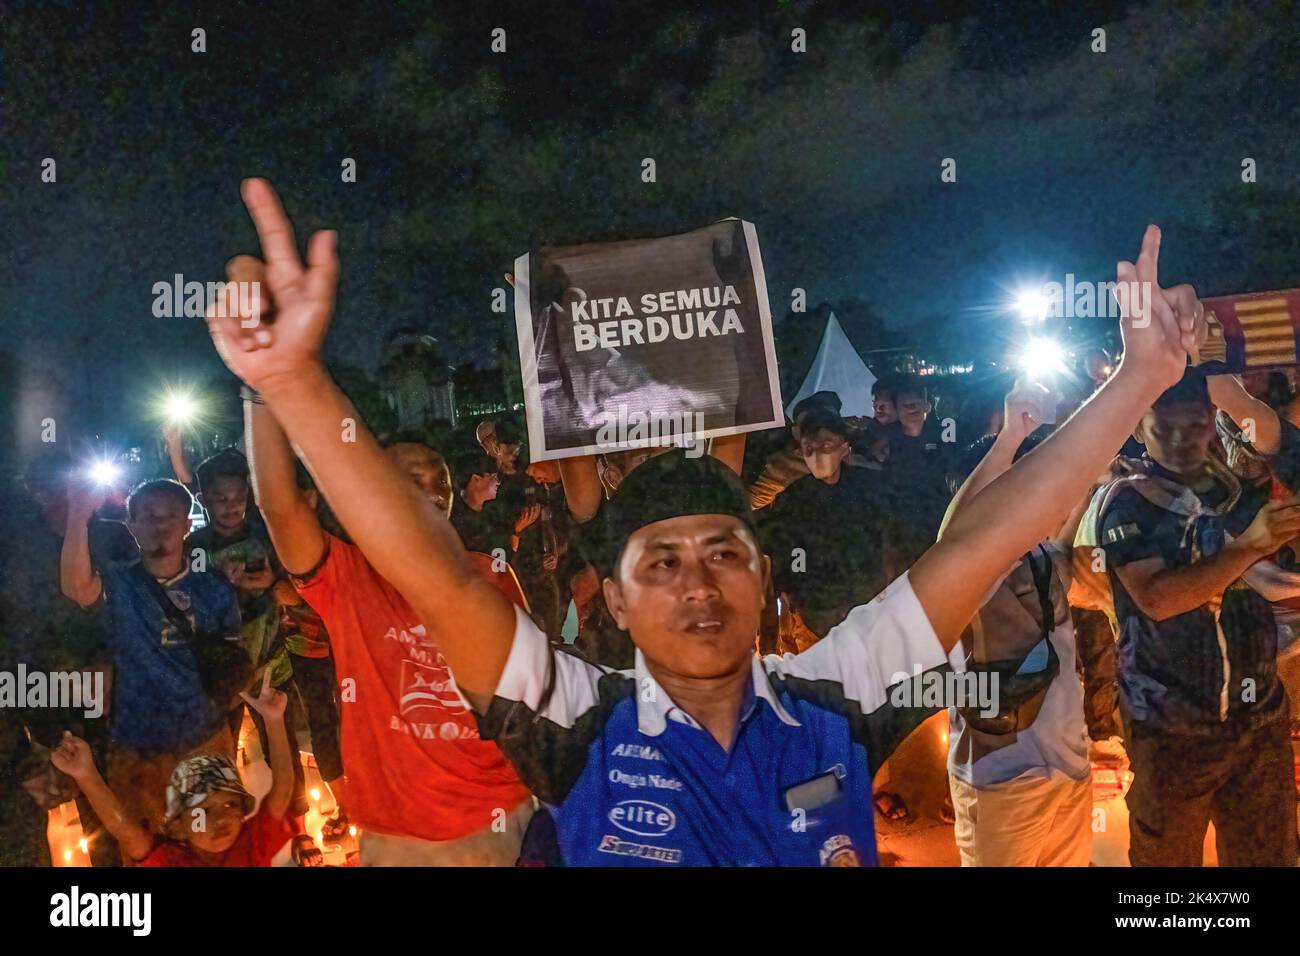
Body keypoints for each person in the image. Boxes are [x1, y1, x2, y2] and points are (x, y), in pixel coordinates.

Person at [203, 180, 1197, 864]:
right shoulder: (570, 711)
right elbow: (433, 573)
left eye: (724, 552)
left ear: (762, 577)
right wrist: (295, 384)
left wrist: (1138, 379)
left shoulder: (837, 692)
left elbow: (987, 538)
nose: (696, 580)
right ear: (617, 604)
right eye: (660, 561)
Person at [236, 318, 534, 866]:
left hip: (496, 813)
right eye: (409, 481)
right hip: (397, 832)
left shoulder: (487, 573)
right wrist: (262, 386)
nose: (431, 494)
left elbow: (527, 685)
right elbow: (279, 507)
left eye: (440, 485)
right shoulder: (347, 576)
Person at [1097, 368, 1300, 866]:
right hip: (1172, 727)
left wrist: (1241, 401)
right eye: (1161, 428)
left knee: (1269, 856)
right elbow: (1157, 598)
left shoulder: (1232, 489)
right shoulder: (1127, 501)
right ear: (1139, 428)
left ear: (1213, 422)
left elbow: (1290, 480)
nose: (1177, 441)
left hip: (1260, 718)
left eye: (1192, 425)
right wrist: (1250, 546)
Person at [942, 386, 1093, 866]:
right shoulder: (970, 573)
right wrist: (1007, 440)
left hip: (1067, 766)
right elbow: (955, 537)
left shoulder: (1036, 551)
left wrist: (1087, 482)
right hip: (1004, 779)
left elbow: (1062, 564)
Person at [61, 477, 249, 835]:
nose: (160, 525)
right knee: (145, 846)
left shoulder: (213, 587)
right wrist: (77, 515)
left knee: (214, 842)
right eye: (149, 516)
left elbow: (230, 658)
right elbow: (75, 587)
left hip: (204, 738)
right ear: (131, 525)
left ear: (187, 524)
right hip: (137, 746)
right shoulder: (118, 584)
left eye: (171, 516)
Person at [51, 671, 318, 866]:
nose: (221, 819)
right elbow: (125, 831)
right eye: (202, 811)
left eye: (231, 805)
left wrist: (85, 774)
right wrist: (273, 720)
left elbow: (126, 831)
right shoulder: (180, 860)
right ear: (178, 827)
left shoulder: (247, 844)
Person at [187, 448, 302, 814]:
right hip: (221, 674)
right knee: (220, 752)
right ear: (203, 499)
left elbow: (296, 596)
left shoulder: (265, 537)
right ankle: (226, 828)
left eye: (237, 496)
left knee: (281, 747)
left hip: (270, 666)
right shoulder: (194, 548)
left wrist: (270, 583)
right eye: (220, 498)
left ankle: (297, 825)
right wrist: (222, 590)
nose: (230, 505)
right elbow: (183, 607)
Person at [759, 403, 891, 648]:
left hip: (867, 607)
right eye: (810, 448)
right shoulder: (793, 498)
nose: (818, 455)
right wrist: (794, 587)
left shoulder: (869, 489)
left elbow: (886, 540)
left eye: (827, 446)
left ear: (844, 450)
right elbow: (788, 549)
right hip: (817, 614)